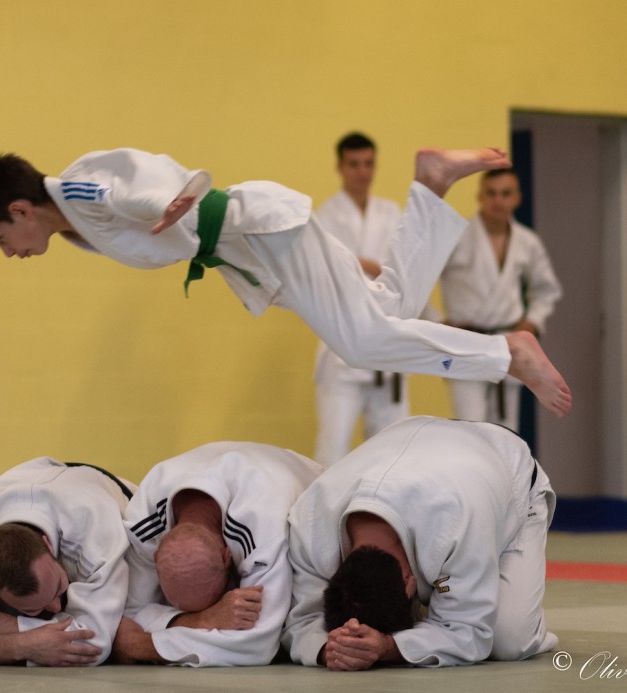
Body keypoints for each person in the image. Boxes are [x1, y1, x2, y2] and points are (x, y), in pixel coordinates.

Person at [0, 146, 571, 419]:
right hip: (253, 252)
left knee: (359, 342)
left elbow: (135, 183)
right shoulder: (73, 226)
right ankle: (431, 184)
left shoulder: (80, 189)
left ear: (18, 209)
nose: (9, 253)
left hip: (258, 230)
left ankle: (507, 352)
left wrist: (168, 200)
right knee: (388, 308)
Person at [281, 416, 557, 670]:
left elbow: (468, 631)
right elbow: (301, 621)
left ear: (410, 582)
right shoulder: (310, 523)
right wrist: (329, 649)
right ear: (333, 570)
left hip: (507, 466)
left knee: (509, 642)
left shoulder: (457, 520)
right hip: (415, 442)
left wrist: (388, 647)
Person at [112, 442, 323, 666]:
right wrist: (206, 619)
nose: (208, 613)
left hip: (307, 490)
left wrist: (143, 646)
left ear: (226, 556)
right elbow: (130, 615)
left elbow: (256, 643)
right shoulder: (143, 518)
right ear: (156, 557)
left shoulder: (262, 522)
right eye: (182, 608)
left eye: (211, 602)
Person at [0, 458, 132, 667]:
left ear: (47, 544)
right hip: (26, 478)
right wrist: (19, 646)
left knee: (131, 628)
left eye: (58, 586)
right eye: (32, 609)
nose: (56, 607)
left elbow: (91, 644)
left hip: (107, 489)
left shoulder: (96, 534)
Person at [312, 133, 410, 464]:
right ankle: (320, 516)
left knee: (392, 451)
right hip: (342, 345)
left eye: (368, 164)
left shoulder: (390, 211)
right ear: (340, 166)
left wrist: (365, 265)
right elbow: (325, 274)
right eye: (354, 164)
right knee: (333, 447)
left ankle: (384, 515)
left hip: (387, 345)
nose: (362, 171)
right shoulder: (324, 217)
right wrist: (369, 267)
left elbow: (404, 270)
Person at [439, 169, 563, 431]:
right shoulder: (455, 238)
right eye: (491, 193)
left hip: (508, 344)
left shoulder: (527, 241)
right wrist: (437, 324)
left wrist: (532, 322)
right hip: (465, 342)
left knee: (507, 430)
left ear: (517, 198)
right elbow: (420, 281)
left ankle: (504, 474)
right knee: (470, 427)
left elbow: (547, 289)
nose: (498, 201)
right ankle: (473, 473)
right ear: (480, 197)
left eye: (506, 194)